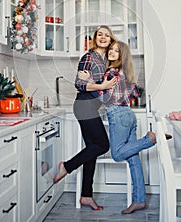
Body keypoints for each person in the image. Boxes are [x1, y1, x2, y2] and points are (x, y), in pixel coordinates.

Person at [78, 40, 157, 214]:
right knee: (133, 158)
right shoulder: (123, 72)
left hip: (118, 116)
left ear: (122, 55)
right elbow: (136, 92)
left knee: (117, 154)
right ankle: (139, 200)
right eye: (111, 49)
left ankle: (149, 140)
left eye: (116, 51)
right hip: (129, 115)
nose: (112, 52)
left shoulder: (111, 72)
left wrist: (88, 80)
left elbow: (104, 97)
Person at [54, 25, 117, 210]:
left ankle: (86, 195)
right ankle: (66, 166)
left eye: (107, 35)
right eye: (100, 34)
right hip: (84, 106)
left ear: (111, 39)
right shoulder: (89, 57)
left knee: (93, 148)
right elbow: (80, 84)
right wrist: (102, 86)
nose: (103, 37)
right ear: (95, 38)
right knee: (102, 145)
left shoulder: (104, 60)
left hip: (90, 107)